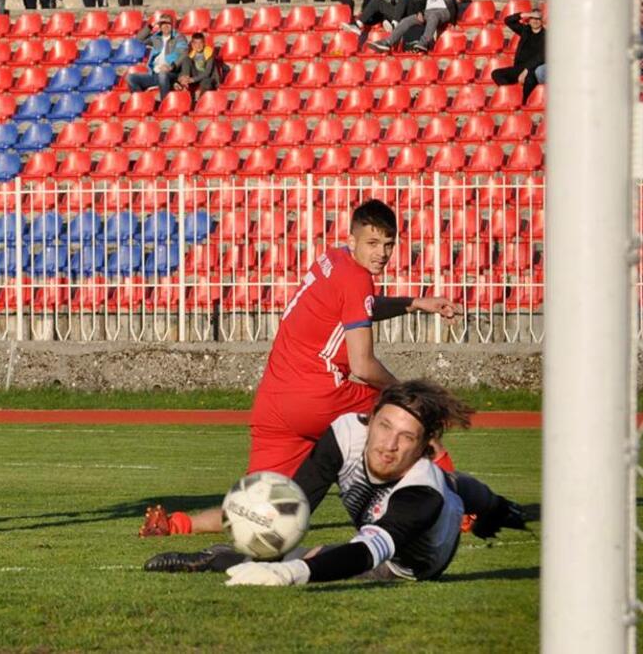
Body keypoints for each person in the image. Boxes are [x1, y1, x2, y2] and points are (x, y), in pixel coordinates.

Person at [139, 200, 461, 537]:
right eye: (372, 243)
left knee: (258, 505)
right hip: (319, 394)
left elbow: (356, 307)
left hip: (275, 401)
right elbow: (363, 366)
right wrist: (404, 395)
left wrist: (413, 303)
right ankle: (461, 511)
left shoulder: (332, 260)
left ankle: (176, 524)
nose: (381, 253)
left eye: (388, 244)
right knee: (415, 421)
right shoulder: (357, 279)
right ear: (352, 241)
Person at [144, 380, 527, 584]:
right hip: (414, 504)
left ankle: (500, 509)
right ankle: (499, 509)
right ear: (371, 417)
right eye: (385, 426)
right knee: (455, 485)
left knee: (455, 491)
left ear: (426, 446)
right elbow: (295, 501)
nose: (389, 445)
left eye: (406, 437)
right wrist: (254, 533)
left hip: (409, 562)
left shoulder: (421, 490)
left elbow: (366, 553)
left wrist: (292, 573)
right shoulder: (346, 433)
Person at [368, 0, 457, 53]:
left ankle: (423, 43)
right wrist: (419, 12)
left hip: (444, 10)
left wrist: (453, 21)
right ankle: (387, 42)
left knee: (433, 16)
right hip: (427, 11)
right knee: (406, 21)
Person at [127, 15, 187, 100]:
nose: (166, 26)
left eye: (168, 23)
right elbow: (139, 39)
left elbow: (184, 54)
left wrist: (171, 67)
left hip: (171, 73)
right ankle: (142, 102)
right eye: (163, 24)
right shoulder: (156, 38)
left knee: (163, 75)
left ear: (172, 25)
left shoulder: (179, 37)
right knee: (131, 78)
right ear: (160, 26)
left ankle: (164, 104)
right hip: (155, 74)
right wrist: (151, 25)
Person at [492, 9, 546, 104]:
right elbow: (508, 20)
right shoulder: (525, 30)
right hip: (518, 67)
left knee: (529, 79)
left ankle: (523, 103)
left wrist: (526, 70)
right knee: (496, 74)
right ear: (529, 20)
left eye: (538, 19)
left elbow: (541, 57)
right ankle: (510, 96)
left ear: (542, 21)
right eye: (532, 18)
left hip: (533, 68)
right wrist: (526, 13)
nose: (535, 21)